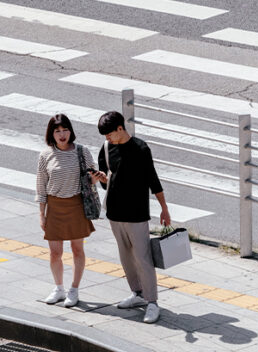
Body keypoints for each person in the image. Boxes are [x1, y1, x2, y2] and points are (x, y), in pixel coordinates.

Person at [93, 111, 171, 324]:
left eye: (109, 134)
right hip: (115, 213)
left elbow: (152, 179)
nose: (107, 139)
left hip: (137, 213)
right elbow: (106, 181)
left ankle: (152, 301)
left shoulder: (140, 149)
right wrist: (99, 178)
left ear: (120, 128)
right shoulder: (107, 148)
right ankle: (137, 294)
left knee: (143, 257)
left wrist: (164, 208)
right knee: (126, 256)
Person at [35, 114, 99, 308]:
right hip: (54, 206)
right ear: (51, 134)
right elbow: (41, 186)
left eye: (65, 130)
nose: (62, 135)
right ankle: (58, 288)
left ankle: (74, 289)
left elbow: (91, 177)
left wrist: (95, 178)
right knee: (55, 253)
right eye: (57, 131)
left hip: (76, 205)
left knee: (77, 249)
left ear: (71, 131)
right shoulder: (45, 155)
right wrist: (41, 214)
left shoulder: (82, 151)